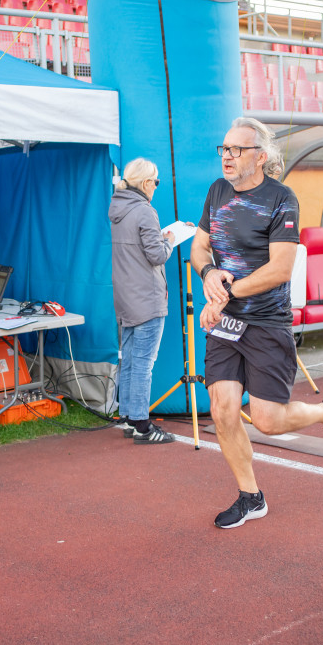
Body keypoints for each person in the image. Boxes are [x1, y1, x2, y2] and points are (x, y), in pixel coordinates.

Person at [192, 117, 323, 530]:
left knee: (267, 420)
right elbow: (201, 245)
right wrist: (209, 274)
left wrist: (225, 295)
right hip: (226, 324)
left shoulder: (281, 199)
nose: (227, 157)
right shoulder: (217, 192)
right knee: (223, 410)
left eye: (236, 150)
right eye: (224, 149)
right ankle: (251, 497)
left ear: (261, 157)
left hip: (266, 323)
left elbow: (280, 269)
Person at [109, 158, 176, 444]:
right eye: (156, 181)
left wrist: (159, 237)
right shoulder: (146, 211)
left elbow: (139, 248)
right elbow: (157, 255)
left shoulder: (117, 208)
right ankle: (141, 425)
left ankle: (128, 416)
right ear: (147, 183)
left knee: (131, 359)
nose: (157, 187)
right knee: (144, 363)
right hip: (147, 297)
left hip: (125, 295)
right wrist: (170, 239)